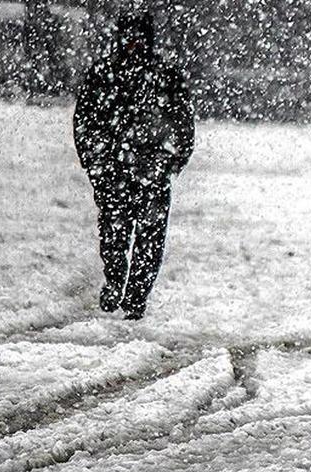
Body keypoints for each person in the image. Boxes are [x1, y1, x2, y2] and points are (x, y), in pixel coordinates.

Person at [73, 11, 194, 320]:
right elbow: (85, 123)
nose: (134, 44)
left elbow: (183, 125)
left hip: (151, 172)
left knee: (149, 240)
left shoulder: (165, 77)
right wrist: (96, 162)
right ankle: (115, 281)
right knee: (114, 232)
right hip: (113, 171)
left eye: (140, 38)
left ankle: (136, 297)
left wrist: (170, 162)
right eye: (129, 38)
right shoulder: (103, 76)